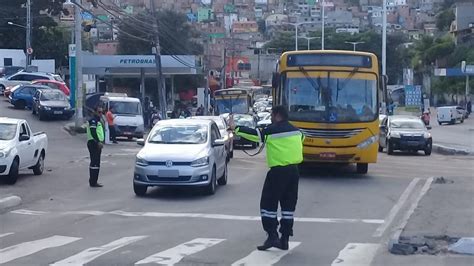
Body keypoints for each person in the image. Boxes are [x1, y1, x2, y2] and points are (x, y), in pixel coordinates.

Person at [233, 106, 304, 251]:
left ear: (277, 115)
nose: (271, 117)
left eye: (272, 114)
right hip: (294, 172)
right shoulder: (298, 132)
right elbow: (302, 139)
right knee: (288, 207)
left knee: (267, 205)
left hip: (278, 172)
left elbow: (255, 135)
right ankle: (284, 239)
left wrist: (236, 128)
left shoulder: (272, 131)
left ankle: (272, 236)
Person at [86, 107, 105, 187]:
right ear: (95, 112)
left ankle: (94, 181)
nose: (101, 114)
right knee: (94, 163)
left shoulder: (98, 120)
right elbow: (93, 132)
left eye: (102, 112)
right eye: (99, 112)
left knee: (96, 163)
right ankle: (93, 181)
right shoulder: (93, 120)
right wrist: (98, 142)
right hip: (93, 143)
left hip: (96, 143)